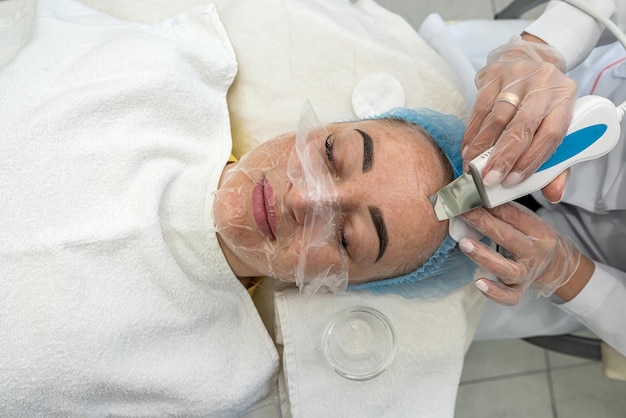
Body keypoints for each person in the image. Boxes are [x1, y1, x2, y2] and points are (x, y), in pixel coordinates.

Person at [1, 0, 481, 414]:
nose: (303, 199)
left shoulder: (219, 377)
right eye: (333, 156)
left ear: (342, 286)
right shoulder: (171, 67)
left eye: (346, 237)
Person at [458, 0, 626, 355]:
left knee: (448, 302)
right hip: (537, 92)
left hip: (589, 260)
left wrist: (564, 271)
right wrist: (542, 48)